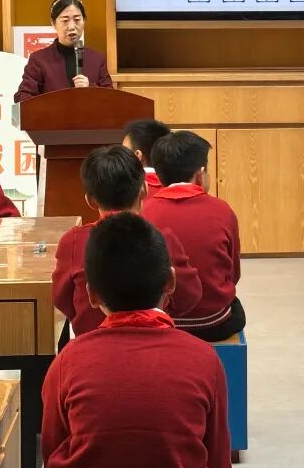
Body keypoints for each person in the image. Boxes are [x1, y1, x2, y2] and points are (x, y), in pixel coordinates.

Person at [38, 213, 242, 468]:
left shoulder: (67, 362)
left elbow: (52, 456)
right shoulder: (203, 359)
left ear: (91, 294)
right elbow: (218, 466)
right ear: (171, 281)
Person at [52, 145, 202, 338]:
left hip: (92, 340)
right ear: (144, 190)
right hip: (154, 341)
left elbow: (61, 299)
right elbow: (189, 296)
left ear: (90, 200)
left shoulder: (72, 241)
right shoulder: (161, 238)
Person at [143, 131, 244, 342]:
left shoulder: (144, 212)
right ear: (200, 173)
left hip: (161, 321)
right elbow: (233, 273)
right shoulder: (222, 210)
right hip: (213, 323)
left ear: (158, 175)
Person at [14, 0, 113, 102]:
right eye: (65, 20)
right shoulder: (39, 60)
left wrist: (91, 88)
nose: (71, 26)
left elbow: (112, 98)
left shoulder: (97, 59)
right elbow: (22, 96)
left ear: (84, 20)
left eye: (77, 20)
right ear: (53, 23)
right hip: (52, 112)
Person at [122, 118, 171, 196]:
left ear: (138, 156)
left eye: (124, 152)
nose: (121, 158)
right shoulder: (177, 188)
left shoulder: (122, 193)